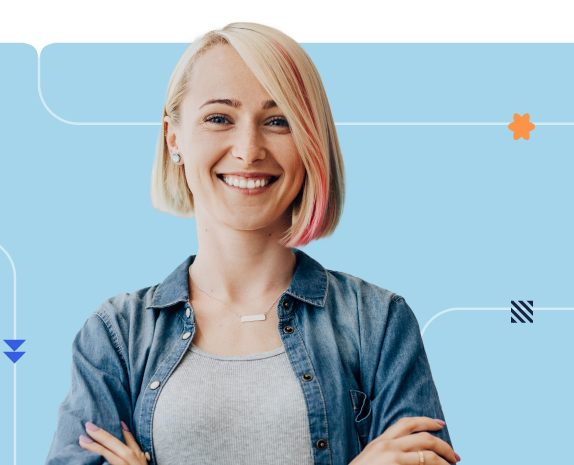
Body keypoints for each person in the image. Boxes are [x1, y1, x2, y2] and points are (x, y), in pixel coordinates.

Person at [44, 20, 460, 465]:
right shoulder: (115, 338)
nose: (248, 149)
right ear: (173, 136)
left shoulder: (377, 325)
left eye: (278, 121)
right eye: (219, 118)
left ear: (310, 141)